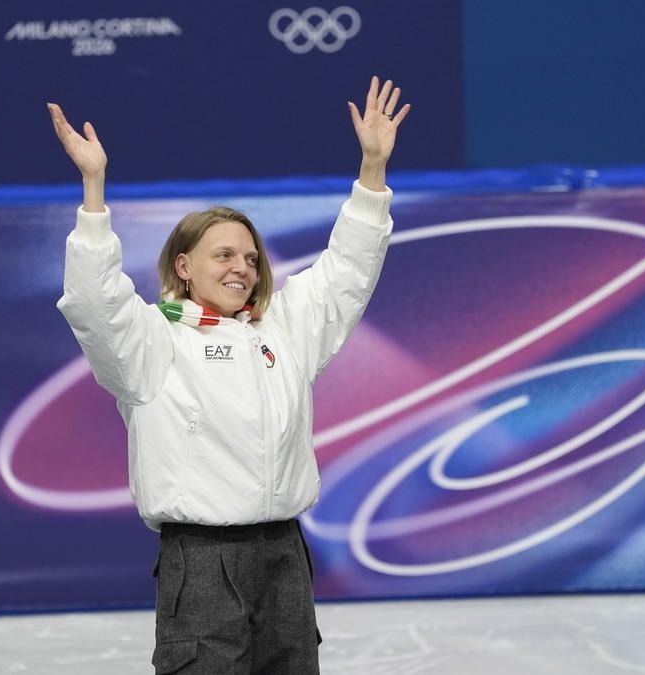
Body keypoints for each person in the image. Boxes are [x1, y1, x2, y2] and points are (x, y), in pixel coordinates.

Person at [49, 75, 410, 674]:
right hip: (202, 558)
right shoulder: (152, 340)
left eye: (250, 257)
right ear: (184, 266)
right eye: (223, 255)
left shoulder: (283, 330)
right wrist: (94, 190)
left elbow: (347, 272)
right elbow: (93, 301)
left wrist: (372, 171)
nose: (242, 267)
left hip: (285, 553)